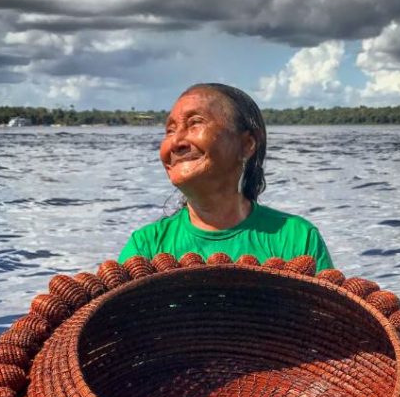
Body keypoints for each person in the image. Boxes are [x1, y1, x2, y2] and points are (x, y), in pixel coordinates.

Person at [118, 83, 333, 270]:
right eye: (170, 130)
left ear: (247, 144)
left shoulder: (296, 239)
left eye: (195, 123)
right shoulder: (146, 247)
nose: (176, 142)